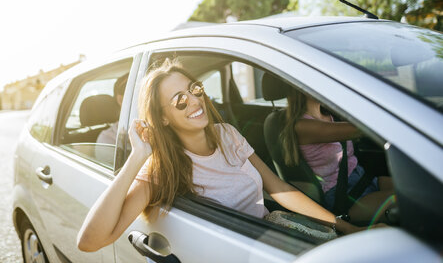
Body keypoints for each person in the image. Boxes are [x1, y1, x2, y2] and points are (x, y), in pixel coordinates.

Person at [77, 59, 375, 252]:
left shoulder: (227, 134)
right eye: (180, 100)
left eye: (194, 89)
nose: (195, 100)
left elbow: (279, 188)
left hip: (273, 239)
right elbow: (90, 241)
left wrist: (345, 227)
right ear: (163, 118)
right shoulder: (162, 169)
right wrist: (137, 156)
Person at [280, 88, 394, 223]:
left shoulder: (328, 115)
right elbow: (358, 129)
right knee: (410, 202)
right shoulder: (302, 126)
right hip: (342, 195)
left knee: (418, 191)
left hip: (362, 179)